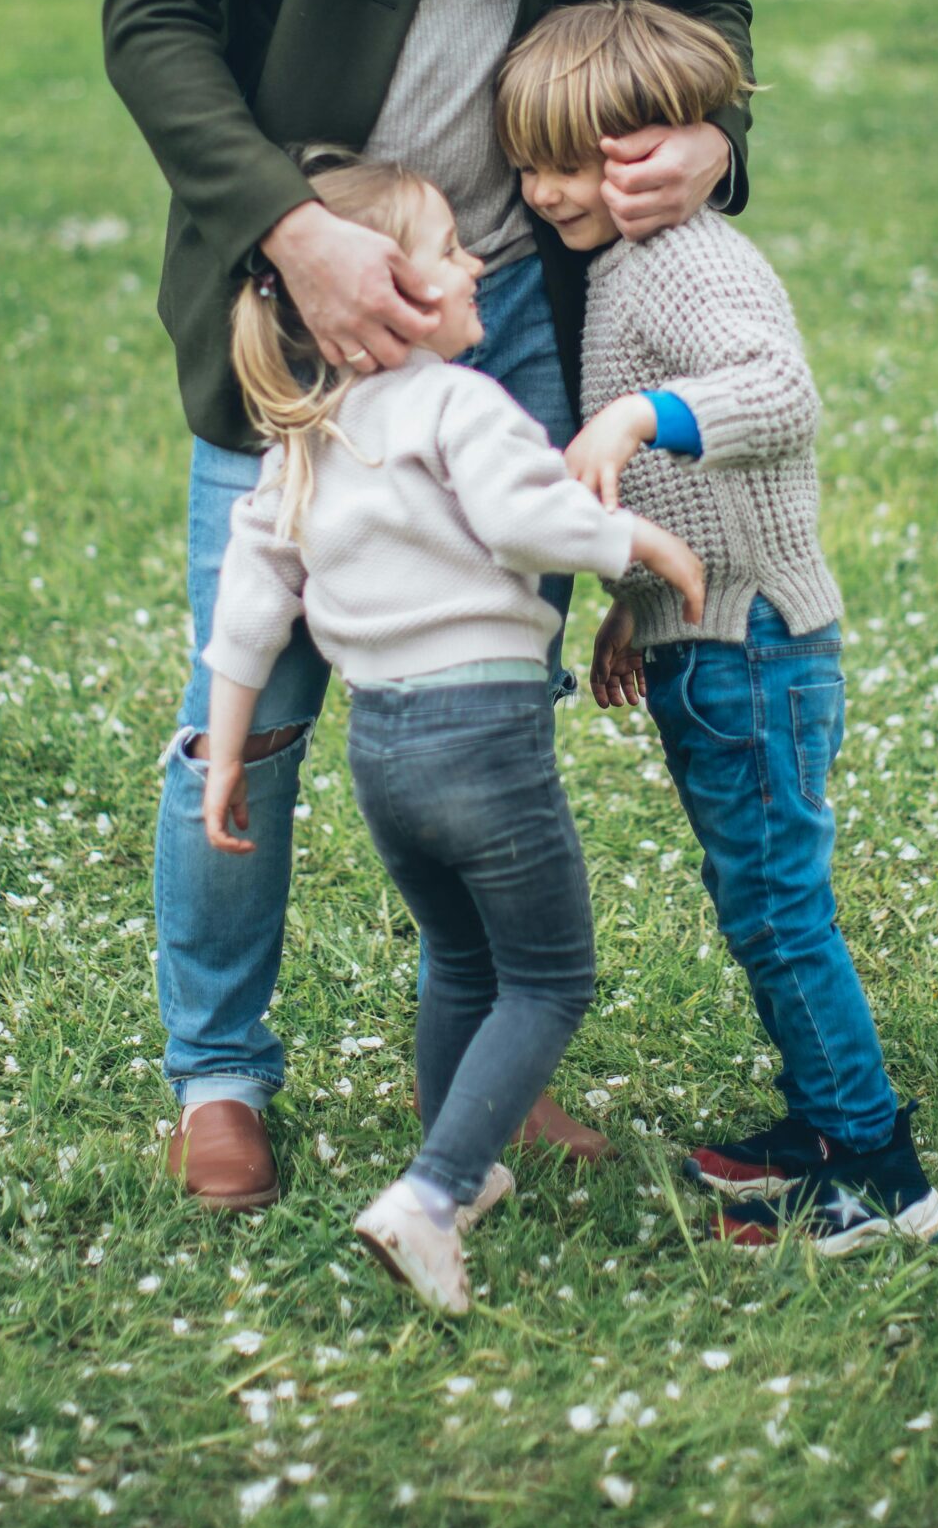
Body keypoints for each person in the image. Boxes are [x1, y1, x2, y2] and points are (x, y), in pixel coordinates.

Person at [103, 0, 753, 1211]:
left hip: (511, 297)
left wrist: (704, 131)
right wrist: (286, 233)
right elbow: (150, 14)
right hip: (298, 298)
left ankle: (469, 1060)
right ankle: (220, 1076)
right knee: (262, 689)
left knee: (478, 697)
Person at [198, 150, 704, 1306]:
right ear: (381, 296)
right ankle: (432, 1193)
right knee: (549, 975)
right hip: (483, 734)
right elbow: (525, 519)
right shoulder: (459, 401)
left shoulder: (307, 439)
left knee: (464, 957)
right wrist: (644, 551)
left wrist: (227, 753)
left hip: (383, 753)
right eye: (445, 247)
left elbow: (248, 608)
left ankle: (457, 1168)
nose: (477, 258)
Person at [495, 0, 938, 1254]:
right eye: (524, 162)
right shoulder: (627, 265)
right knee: (758, 898)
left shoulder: (683, 258)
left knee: (779, 909)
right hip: (714, 642)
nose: (538, 191)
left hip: (757, 650)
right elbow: (686, 506)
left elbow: (778, 390)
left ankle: (875, 1172)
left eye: (563, 162)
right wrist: (635, 613)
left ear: (643, 148)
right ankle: (821, 1122)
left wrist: (638, 418)